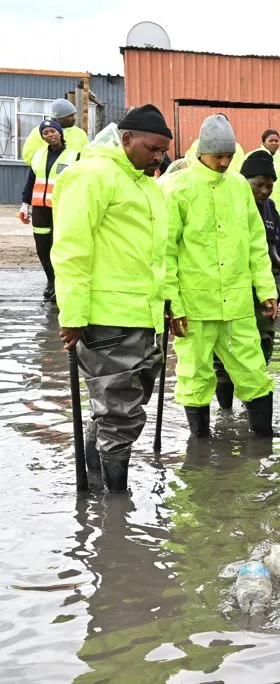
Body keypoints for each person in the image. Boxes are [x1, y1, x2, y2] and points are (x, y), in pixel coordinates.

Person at [51, 104, 173, 492]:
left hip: (143, 316)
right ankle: (117, 508)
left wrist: (167, 304)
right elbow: (71, 248)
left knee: (120, 409)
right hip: (107, 319)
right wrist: (72, 314)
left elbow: (158, 255)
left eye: (162, 151)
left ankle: (100, 482)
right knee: (119, 414)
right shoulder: (91, 175)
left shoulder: (146, 185)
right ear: (126, 139)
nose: (159, 157)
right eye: (152, 149)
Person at [163, 115, 278, 439]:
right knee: (195, 375)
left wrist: (266, 289)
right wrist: (173, 305)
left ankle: (263, 442)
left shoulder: (239, 187)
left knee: (253, 370)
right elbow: (166, 252)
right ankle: (200, 445)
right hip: (195, 305)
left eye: (229, 156)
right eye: (219, 157)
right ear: (202, 152)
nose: (225, 162)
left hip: (238, 303)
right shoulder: (180, 189)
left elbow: (257, 243)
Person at [213, 150, 280, 411]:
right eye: (258, 184)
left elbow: (268, 246)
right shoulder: (227, 205)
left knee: (263, 342)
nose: (264, 191)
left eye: (269, 186)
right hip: (231, 285)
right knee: (224, 350)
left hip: (263, 285)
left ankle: (252, 399)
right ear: (243, 181)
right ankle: (225, 411)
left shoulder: (270, 208)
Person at [18, 119, 81, 302]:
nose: (50, 135)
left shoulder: (74, 156)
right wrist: (24, 203)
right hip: (40, 210)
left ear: (60, 133)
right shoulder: (38, 155)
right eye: (45, 133)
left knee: (60, 247)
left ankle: (60, 284)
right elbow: (31, 181)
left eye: (53, 131)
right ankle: (50, 280)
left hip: (62, 209)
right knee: (42, 248)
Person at [253, 129, 280, 257]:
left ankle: (277, 272)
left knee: (279, 244)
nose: (274, 143)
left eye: (276, 141)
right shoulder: (254, 156)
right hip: (260, 207)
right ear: (263, 141)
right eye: (270, 140)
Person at [22, 98, 89, 165]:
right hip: (47, 174)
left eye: (74, 115)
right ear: (58, 118)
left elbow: (88, 156)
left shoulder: (80, 133)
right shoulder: (39, 133)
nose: (74, 118)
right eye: (70, 116)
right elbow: (28, 157)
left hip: (75, 174)